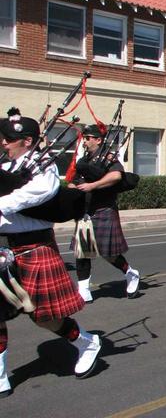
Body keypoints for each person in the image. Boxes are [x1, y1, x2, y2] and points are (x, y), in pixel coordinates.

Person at [0, 109, 102, 396]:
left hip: (33, 247)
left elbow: (40, 193)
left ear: (27, 141)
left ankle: (86, 342)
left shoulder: (42, 167)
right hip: (3, 247)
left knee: (43, 316)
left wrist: (1, 202)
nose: (4, 143)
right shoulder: (6, 167)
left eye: (10, 139)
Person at [68, 124, 140, 303]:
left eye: (88, 138)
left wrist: (93, 185)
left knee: (108, 253)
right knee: (83, 252)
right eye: (84, 138)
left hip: (103, 209)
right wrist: (71, 189)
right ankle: (83, 289)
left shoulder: (108, 158)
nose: (84, 141)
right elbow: (75, 180)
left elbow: (116, 176)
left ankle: (131, 273)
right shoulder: (84, 161)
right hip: (84, 210)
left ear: (98, 140)